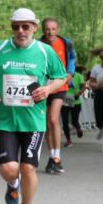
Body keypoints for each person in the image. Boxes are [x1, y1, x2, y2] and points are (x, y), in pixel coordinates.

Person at [0, 8, 67, 204]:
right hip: (5, 119)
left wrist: (47, 90)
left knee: (28, 167)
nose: (21, 31)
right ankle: (12, 183)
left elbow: (61, 76)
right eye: (16, 27)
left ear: (34, 28)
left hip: (33, 121)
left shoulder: (45, 51)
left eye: (25, 26)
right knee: (9, 169)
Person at [38, 18, 75, 174]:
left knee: (54, 119)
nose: (50, 32)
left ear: (58, 29)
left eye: (53, 29)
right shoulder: (37, 44)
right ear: (43, 30)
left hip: (60, 85)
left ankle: (57, 157)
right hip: (43, 87)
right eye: (47, 29)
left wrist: (69, 73)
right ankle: (52, 157)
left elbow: (71, 60)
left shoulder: (66, 43)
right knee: (47, 124)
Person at [61, 66, 85, 146]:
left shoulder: (78, 76)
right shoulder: (62, 74)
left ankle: (78, 129)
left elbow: (83, 86)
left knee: (74, 121)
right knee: (65, 121)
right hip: (65, 99)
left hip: (76, 100)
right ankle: (68, 140)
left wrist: (79, 94)